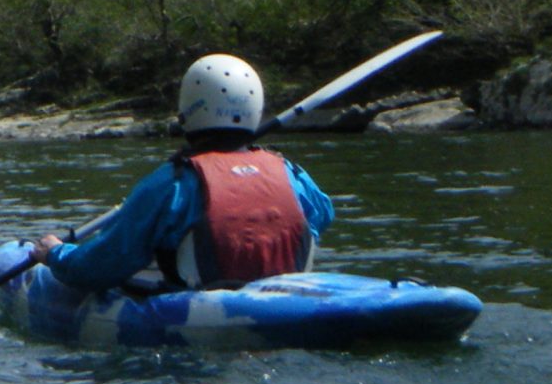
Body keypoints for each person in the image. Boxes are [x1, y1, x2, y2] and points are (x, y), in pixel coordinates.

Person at [29, 55, 334, 293]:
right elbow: (321, 216)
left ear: (188, 109)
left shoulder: (170, 183)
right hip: (285, 301)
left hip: (201, 316)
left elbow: (99, 267)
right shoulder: (293, 175)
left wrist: (56, 253)